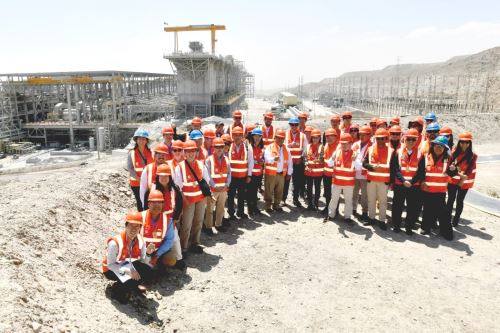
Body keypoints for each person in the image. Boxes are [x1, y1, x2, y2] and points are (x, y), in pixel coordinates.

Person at [411, 135, 457, 240]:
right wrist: (422, 182)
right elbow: (421, 172)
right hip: (426, 190)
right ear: (433, 145)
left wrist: (453, 169)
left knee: (443, 213)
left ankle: (446, 232)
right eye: (437, 145)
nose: (438, 147)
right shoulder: (425, 157)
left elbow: (453, 173)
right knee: (427, 210)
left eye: (441, 146)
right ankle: (425, 228)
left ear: (445, 148)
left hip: (440, 192)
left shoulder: (448, 159)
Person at [102, 211, 153, 304]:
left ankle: (130, 286)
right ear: (126, 226)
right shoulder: (115, 243)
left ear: (140, 228)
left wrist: (148, 254)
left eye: (137, 226)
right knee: (129, 278)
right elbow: (110, 265)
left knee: (147, 270)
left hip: (124, 264)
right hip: (110, 270)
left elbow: (143, 261)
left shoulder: (141, 240)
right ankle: (118, 291)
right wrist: (128, 271)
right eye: (131, 225)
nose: (133, 229)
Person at [174, 140, 210, 254]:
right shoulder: (180, 167)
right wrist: (185, 200)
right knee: (187, 224)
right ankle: (183, 247)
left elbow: (206, 181)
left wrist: (207, 196)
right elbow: (178, 187)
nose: (191, 154)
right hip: (188, 200)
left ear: (196, 152)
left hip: (200, 199)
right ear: (184, 153)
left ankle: (195, 243)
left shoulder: (201, 164)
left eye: (193, 151)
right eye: (188, 151)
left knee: (198, 221)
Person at [149, 165, 184, 268]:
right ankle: (152, 259)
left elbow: (179, 203)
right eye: (161, 176)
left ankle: (179, 259)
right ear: (157, 176)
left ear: (170, 177)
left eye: (166, 176)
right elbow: (146, 205)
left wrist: (175, 219)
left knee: (175, 239)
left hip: (170, 220)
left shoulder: (174, 189)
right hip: (156, 220)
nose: (164, 178)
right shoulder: (152, 189)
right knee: (154, 239)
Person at [390, 129, 422, 235]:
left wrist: (411, 182)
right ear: (405, 139)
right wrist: (403, 181)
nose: (411, 141)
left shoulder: (420, 154)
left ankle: (409, 227)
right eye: (409, 139)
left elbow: (421, 171)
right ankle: (396, 225)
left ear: (417, 140)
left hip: (414, 186)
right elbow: (395, 169)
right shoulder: (398, 152)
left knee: (412, 208)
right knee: (397, 206)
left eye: (413, 139)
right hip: (400, 184)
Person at [140, 190, 180, 269]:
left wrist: (157, 255)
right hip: (142, 251)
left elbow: (169, 240)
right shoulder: (140, 217)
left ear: (162, 204)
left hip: (157, 251)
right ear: (148, 204)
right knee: (144, 269)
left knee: (171, 259)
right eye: (153, 202)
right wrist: (145, 253)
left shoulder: (167, 220)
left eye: (159, 202)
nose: (157, 205)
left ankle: (158, 265)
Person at [363, 128, 393, 230]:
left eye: (382, 139)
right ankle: (371, 218)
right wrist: (371, 167)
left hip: (384, 182)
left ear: (386, 139)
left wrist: (390, 182)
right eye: (378, 138)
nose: (380, 141)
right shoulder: (370, 149)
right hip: (371, 180)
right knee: (371, 200)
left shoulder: (391, 151)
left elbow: (393, 168)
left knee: (383, 202)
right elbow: (364, 163)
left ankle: (381, 220)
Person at [447, 132, 477, 227]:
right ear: (459, 142)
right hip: (452, 181)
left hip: (464, 183)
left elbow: (469, 170)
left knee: (460, 201)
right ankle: (447, 219)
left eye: (466, 142)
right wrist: (456, 171)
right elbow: (449, 167)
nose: (464, 144)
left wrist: (461, 179)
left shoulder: (473, 156)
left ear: (470, 143)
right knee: (450, 200)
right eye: (462, 142)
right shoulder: (453, 152)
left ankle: (456, 220)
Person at [325, 133, 356, 223]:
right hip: (337, 182)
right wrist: (332, 158)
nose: (344, 145)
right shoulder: (337, 152)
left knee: (348, 201)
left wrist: (355, 160)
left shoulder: (354, 154)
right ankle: (331, 215)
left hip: (348, 183)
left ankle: (347, 217)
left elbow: (358, 167)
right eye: (342, 143)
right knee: (334, 199)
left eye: (346, 143)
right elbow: (330, 164)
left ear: (350, 143)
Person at [205, 138, 231, 233]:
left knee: (221, 208)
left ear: (224, 148)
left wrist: (227, 184)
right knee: (210, 209)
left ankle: (218, 224)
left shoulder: (227, 159)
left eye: (221, 147)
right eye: (217, 147)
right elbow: (207, 175)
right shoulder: (209, 160)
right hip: (213, 189)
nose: (219, 149)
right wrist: (214, 185)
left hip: (223, 189)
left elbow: (229, 174)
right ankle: (208, 227)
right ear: (213, 148)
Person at [263, 129, 293, 212]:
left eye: (282, 138)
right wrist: (274, 159)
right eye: (278, 137)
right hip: (271, 174)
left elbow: (290, 162)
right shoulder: (269, 147)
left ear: (284, 139)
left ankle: (277, 205)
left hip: (281, 174)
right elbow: (266, 158)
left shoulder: (286, 149)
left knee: (279, 191)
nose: (280, 139)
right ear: (275, 137)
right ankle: (268, 206)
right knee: (269, 190)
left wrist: (289, 173)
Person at [227, 127, 252, 219]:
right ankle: (231, 213)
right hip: (232, 177)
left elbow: (250, 162)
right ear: (232, 136)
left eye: (239, 135)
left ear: (243, 136)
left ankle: (240, 212)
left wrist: (249, 175)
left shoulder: (247, 147)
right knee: (231, 196)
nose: (237, 137)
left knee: (241, 196)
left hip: (242, 177)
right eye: (235, 135)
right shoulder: (229, 146)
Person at [284, 117, 308, 207]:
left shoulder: (302, 136)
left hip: (298, 163)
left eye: (295, 125)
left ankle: (295, 199)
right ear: (289, 125)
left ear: (298, 125)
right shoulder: (286, 135)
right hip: (287, 163)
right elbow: (283, 147)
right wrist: (290, 145)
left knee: (297, 182)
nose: (294, 126)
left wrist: (301, 159)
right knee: (286, 181)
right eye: (292, 125)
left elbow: (305, 149)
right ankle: (283, 198)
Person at [128, 129, 154, 211]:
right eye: (139, 139)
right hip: (136, 184)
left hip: (150, 184)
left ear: (146, 141)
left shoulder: (152, 152)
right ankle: (141, 221)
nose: (141, 141)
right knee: (140, 203)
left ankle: (148, 220)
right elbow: (130, 169)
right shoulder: (131, 153)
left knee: (149, 203)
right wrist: (140, 180)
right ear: (136, 140)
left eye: (143, 139)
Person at [139, 143, 169, 210]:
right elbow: (143, 190)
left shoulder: (171, 168)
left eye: (163, 154)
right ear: (154, 155)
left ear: (166, 156)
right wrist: (145, 206)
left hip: (167, 207)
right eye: (159, 154)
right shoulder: (147, 169)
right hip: (153, 207)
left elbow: (174, 190)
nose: (161, 156)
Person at [352, 125, 371, 221]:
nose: (362, 136)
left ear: (369, 135)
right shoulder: (355, 144)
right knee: (354, 193)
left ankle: (364, 212)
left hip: (365, 175)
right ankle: (353, 209)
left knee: (365, 196)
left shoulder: (372, 146)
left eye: (364, 134)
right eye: (361, 134)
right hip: (355, 174)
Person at [304, 129, 323, 211]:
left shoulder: (322, 147)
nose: (315, 139)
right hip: (309, 172)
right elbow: (304, 158)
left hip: (318, 173)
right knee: (309, 188)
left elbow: (323, 158)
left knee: (317, 188)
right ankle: (310, 204)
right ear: (311, 138)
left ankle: (315, 203)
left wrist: (319, 160)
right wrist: (306, 165)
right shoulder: (308, 146)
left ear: (319, 138)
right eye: (314, 137)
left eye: (317, 137)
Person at [248, 128, 265, 216]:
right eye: (255, 136)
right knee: (250, 192)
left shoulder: (262, 148)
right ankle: (250, 209)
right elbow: (249, 161)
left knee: (255, 193)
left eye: (259, 136)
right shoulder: (250, 147)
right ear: (252, 137)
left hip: (259, 174)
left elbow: (263, 159)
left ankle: (255, 207)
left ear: (261, 137)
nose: (257, 138)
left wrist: (263, 161)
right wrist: (249, 175)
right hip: (252, 174)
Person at [322, 128, 339, 215]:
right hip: (326, 174)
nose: (329, 138)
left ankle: (336, 210)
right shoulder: (325, 146)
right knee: (327, 193)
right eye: (327, 136)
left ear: (335, 137)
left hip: (334, 175)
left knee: (335, 194)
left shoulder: (339, 147)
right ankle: (327, 207)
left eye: (331, 136)